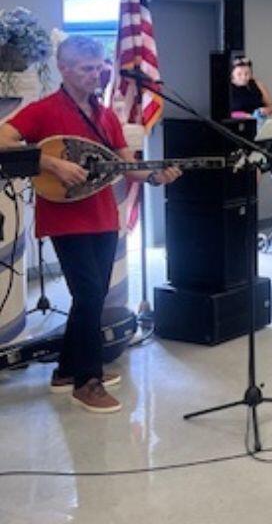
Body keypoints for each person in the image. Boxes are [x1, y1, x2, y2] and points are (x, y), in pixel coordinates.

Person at [0, 36, 182, 413]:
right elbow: (2, 137)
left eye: (100, 66)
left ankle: (66, 371)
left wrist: (153, 176)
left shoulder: (105, 114)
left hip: (101, 216)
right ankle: (88, 380)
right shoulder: (44, 110)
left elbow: (125, 163)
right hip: (66, 219)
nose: (96, 73)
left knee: (93, 295)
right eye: (86, 68)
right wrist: (51, 164)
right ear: (63, 69)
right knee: (88, 296)